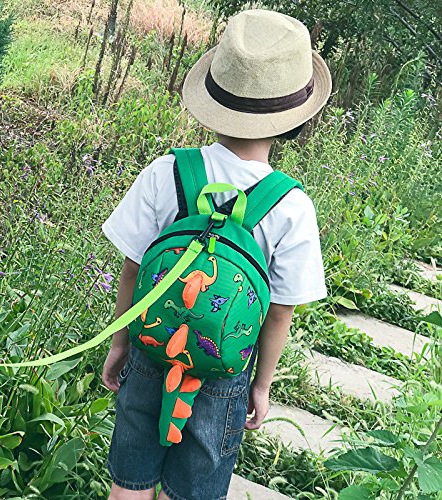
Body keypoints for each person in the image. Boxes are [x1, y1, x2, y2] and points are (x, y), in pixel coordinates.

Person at [101, 9, 331, 500]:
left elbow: (132, 269)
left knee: (129, 483)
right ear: (291, 119)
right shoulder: (292, 206)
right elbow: (280, 310)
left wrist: (120, 343)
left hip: (150, 353)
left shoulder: (167, 172)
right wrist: (261, 385)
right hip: (223, 375)